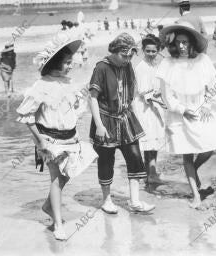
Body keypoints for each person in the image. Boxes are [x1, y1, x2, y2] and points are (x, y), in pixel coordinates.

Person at [16, 32, 98, 240]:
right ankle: (58, 224)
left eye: (71, 62)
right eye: (68, 63)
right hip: (49, 139)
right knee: (55, 179)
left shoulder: (67, 83)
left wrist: (86, 96)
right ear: (55, 64)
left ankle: (48, 205)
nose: (71, 66)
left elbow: (72, 109)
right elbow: (27, 116)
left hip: (70, 137)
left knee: (66, 174)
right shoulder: (41, 86)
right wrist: (41, 140)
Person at [156, 22, 216, 208]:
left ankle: (194, 169)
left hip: (201, 109)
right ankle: (196, 195)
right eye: (178, 42)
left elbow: (213, 89)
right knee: (186, 156)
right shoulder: (167, 63)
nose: (182, 46)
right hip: (180, 113)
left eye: (185, 42)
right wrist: (181, 110)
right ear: (173, 43)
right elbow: (166, 96)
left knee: (211, 146)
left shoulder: (203, 61)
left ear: (192, 43)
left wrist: (208, 104)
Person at [88, 33, 156, 214]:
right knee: (106, 161)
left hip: (126, 118)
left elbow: (131, 94)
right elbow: (92, 98)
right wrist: (99, 126)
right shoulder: (101, 68)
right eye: (124, 55)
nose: (127, 59)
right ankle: (106, 200)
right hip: (105, 121)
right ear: (115, 51)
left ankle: (134, 201)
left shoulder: (128, 66)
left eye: (130, 56)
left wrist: (136, 117)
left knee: (135, 158)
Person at [134, 34, 166, 184]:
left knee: (155, 140)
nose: (151, 54)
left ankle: (152, 171)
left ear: (158, 50)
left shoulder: (156, 65)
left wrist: (161, 96)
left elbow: (158, 86)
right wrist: (159, 100)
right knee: (148, 141)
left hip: (156, 105)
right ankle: (149, 173)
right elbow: (143, 92)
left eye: (154, 51)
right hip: (145, 108)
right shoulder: (141, 67)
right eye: (148, 51)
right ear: (143, 50)